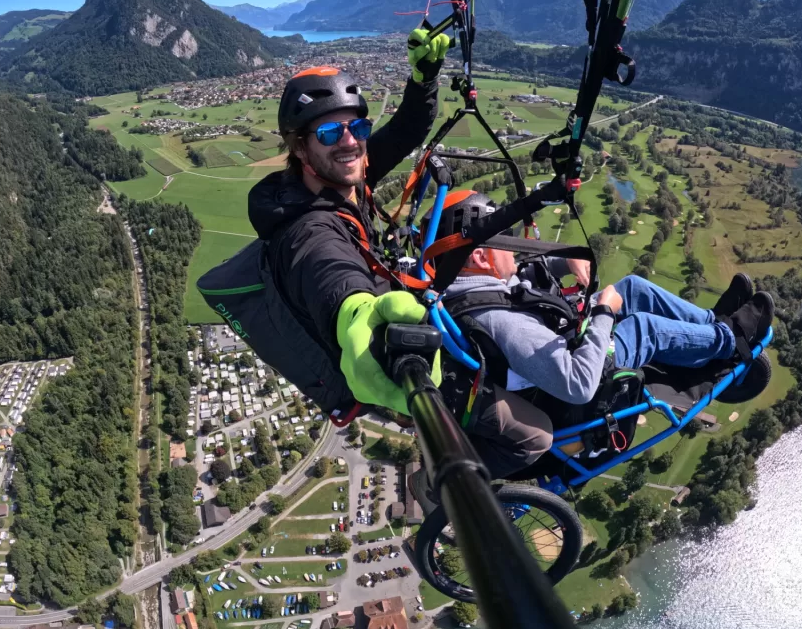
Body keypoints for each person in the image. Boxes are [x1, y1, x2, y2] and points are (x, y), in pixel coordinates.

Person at [246, 33, 555, 480]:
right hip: (378, 355)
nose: (350, 142)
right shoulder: (305, 229)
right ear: (299, 147)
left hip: (394, 307)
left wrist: (423, 79)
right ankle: (437, 487)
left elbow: (408, 129)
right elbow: (330, 274)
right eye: (331, 131)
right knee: (534, 434)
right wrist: (356, 314)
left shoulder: (346, 178)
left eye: (359, 128)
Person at [430, 190, 775, 407]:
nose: (510, 245)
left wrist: (562, 262)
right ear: (477, 258)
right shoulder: (502, 323)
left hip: (565, 336)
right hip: (586, 374)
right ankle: (731, 340)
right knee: (644, 329)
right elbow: (578, 384)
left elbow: (516, 279)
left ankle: (711, 324)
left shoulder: (469, 285)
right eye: (501, 238)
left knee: (633, 287)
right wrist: (604, 313)